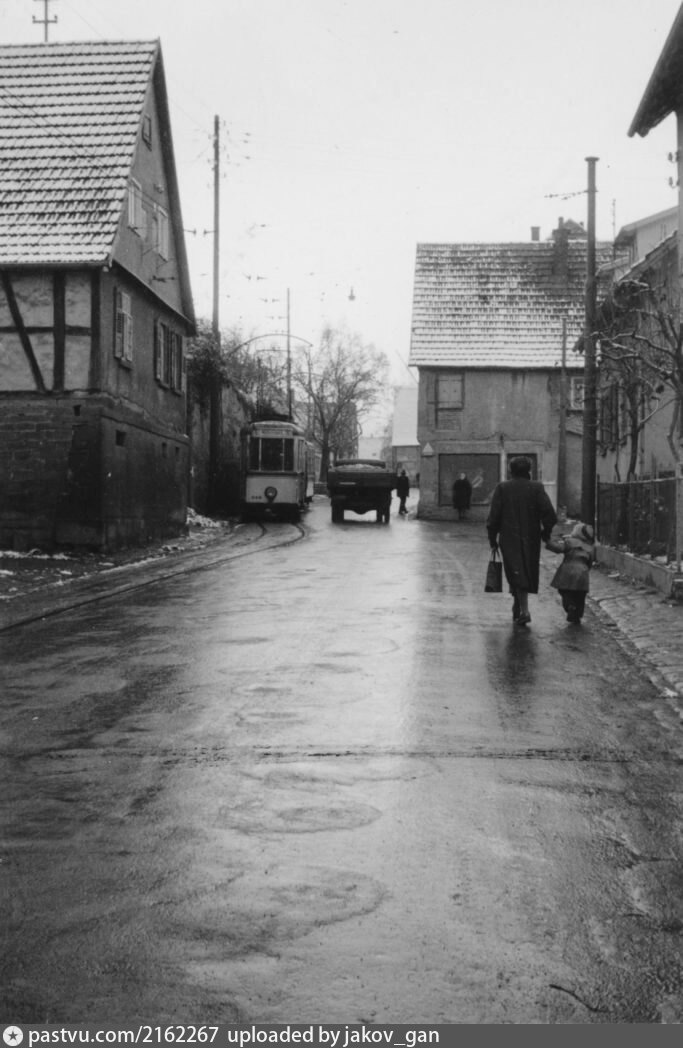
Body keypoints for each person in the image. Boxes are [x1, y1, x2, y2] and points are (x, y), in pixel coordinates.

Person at [486, 456, 557, 626]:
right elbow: (550, 514)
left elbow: (493, 517)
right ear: (529, 471)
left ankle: (524, 611)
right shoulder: (536, 487)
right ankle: (519, 604)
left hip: (509, 537)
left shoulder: (503, 488)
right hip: (530, 537)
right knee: (525, 570)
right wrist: (545, 532)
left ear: (511, 470)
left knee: (515, 570)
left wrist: (492, 539)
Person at [545, 522, 595, 624]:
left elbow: (558, 548)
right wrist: (585, 570)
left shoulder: (569, 542)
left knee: (564, 591)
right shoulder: (590, 548)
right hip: (582, 573)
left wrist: (548, 541)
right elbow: (590, 562)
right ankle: (577, 615)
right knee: (580, 596)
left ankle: (570, 605)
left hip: (567, 571)